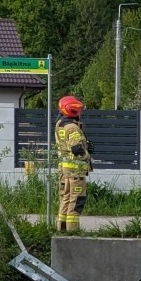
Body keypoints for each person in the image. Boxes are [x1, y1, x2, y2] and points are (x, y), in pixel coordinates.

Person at [55, 94, 92, 232]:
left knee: (65, 198)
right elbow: (77, 149)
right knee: (76, 201)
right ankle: (73, 231)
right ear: (73, 110)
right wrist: (87, 155)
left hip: (65, 171)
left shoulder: (60, 124)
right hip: (76, 171)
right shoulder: (72, 127)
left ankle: (62, 230)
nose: (80, 113)